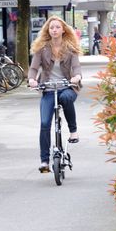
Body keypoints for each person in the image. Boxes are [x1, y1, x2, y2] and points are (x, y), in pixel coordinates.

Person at [28, 16, 82, 173]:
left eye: (57, 27)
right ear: (48, 30)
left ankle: (73, 131)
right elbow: (33, 68)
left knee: (66, 98)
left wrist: (76, 77)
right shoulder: (42, 48)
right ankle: (44, 161)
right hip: (48, 89)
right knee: (45, 124)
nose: (54, 30)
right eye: (51, 28)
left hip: (67, 87)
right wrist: (32, 79)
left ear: (63, 30)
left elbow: (76, 67)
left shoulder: (70, 48)